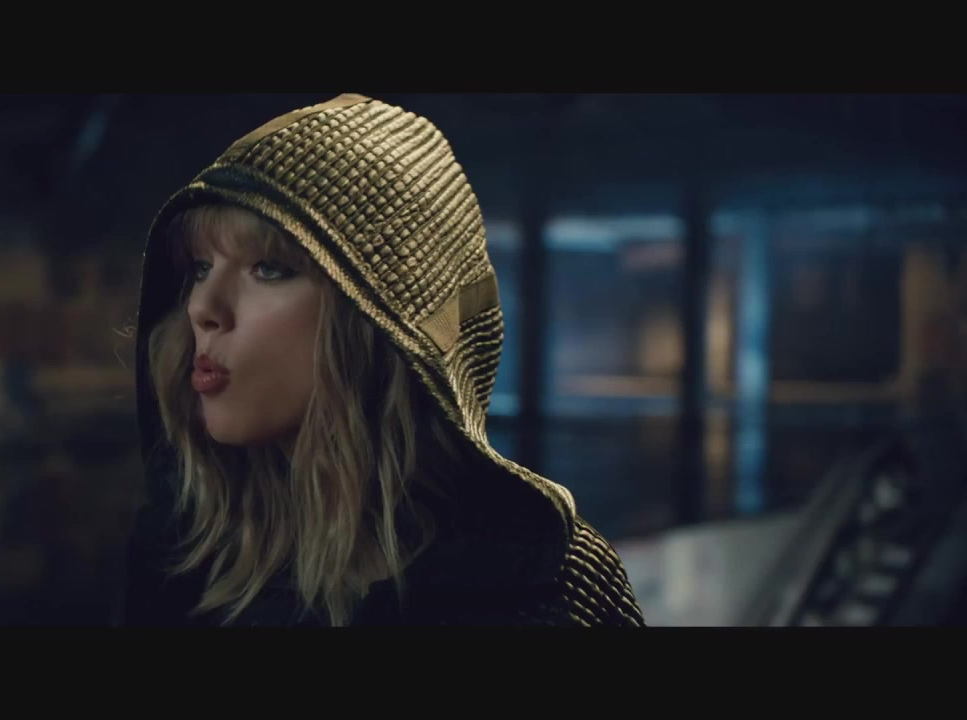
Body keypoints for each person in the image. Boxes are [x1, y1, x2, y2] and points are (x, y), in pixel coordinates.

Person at [122, 94, 645, 626]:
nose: (202, 307)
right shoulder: (179, 568)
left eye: (269, 269)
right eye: (201, 267)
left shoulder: (551, 585)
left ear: (379, 319)